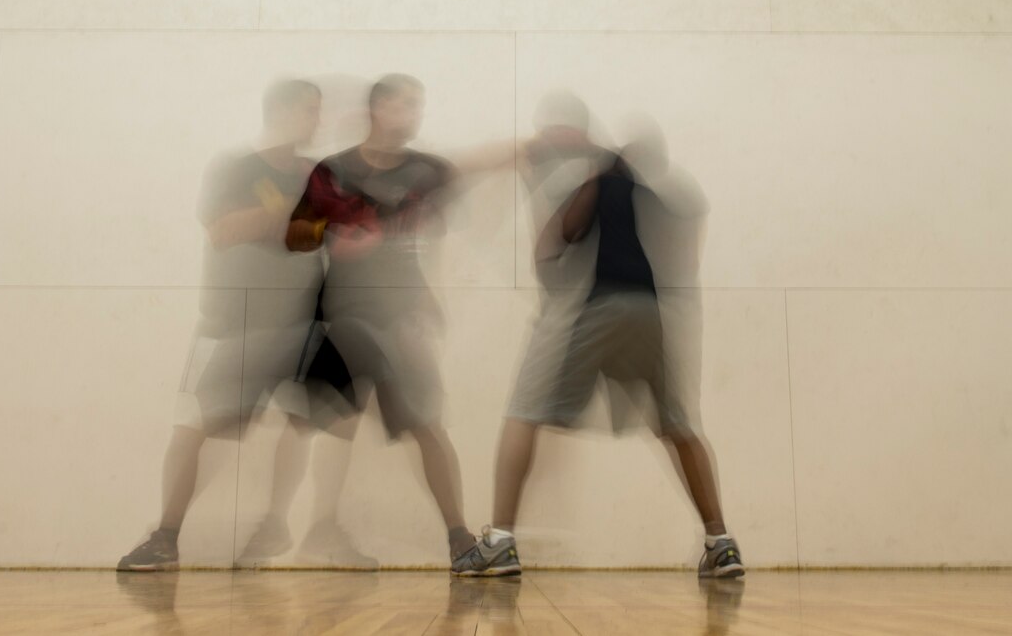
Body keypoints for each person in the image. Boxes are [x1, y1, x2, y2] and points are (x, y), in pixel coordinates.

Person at [453, 93, 744, 579]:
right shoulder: (648, 184)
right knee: (678, 426)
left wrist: (547, 255)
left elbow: (557, 235)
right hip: (650, 313)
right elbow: (685, 244)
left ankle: (499, 541)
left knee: (523, 412)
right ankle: (721, 543)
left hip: (587, 310)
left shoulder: (580, 171)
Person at [118, 79, 366, 571]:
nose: (316, 121)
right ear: (281, 112)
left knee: (338, 416)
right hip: (239, 324)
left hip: (305, 326)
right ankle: (165, 535)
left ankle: (282, 525)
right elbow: (223, 231)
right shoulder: (235, 168)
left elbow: (316, 237)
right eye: (308, 110)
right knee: (199, 428)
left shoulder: (315, 174)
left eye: (319, 111)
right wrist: (282, 211)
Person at [286, 73, 477, 566]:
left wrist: (427, 293)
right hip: (342, 318)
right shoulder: (333, 170)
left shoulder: (427, 170)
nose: (414, 114)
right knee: (317, 423)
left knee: (427, 426)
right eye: (405, 104)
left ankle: (461, 540)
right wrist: (338, 231)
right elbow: (297, 234)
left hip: (398, 317)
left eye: (418, 105)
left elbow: (445, 208)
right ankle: (308, 530)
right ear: (378, 109)